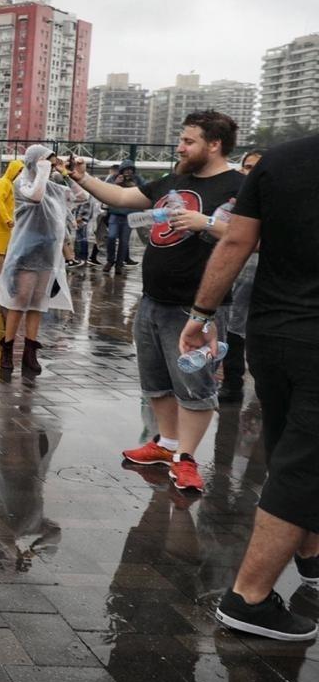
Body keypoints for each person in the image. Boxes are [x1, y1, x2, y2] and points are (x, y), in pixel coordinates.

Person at [177, 133, 319, 642]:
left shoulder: (280, 160)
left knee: (288, 447)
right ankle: (250, 598)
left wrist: (201, 314)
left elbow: (236, 240)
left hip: (273, 333)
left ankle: (310, 555)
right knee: (305, 464)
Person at [71, 110, 245, 493]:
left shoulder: (240, 185)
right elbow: (121, 196)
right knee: (157, 381)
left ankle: (186, 458)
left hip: (198, 307)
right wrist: (81, 177)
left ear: (214, 145)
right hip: (152, 300)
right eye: (181, 140)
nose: (180, 147)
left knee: (194, 385)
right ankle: (166, 444)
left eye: (188, 141)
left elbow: (257, 237)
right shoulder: (174, 180)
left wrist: (208, 224)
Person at [0, 146, 78, 374]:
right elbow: (35, 196)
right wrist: (41, 171)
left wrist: (68, 173)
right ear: (33, 162)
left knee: (38, 301)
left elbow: (80, 196)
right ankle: (8, 347)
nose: (49, 165)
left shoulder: (52, 186)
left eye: (50, 162)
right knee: (21, 299)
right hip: (25, 251)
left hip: (47, 250)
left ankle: (30, 352)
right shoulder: (21, 183)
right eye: (44, 161)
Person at [219, 148, 263, 404]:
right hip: (236, 270)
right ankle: (232, 383)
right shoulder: (231, 200)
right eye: (247, 167)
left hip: (265, 273)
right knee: (233, 326)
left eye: (257, 168)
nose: (251, 173)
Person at [103, 159, 142, 274]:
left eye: (131, 170)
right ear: (122, 170)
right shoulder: (114, 178)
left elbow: (146, 189)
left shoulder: (138, 179)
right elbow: (104, 189)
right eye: (126, 170)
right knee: (111, 237)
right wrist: (115, 184)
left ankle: (119, 264)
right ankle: (110, 261)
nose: (128, 172)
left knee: (124, 241)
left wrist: (135, 187)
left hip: (129, 215)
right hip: (114, 213)